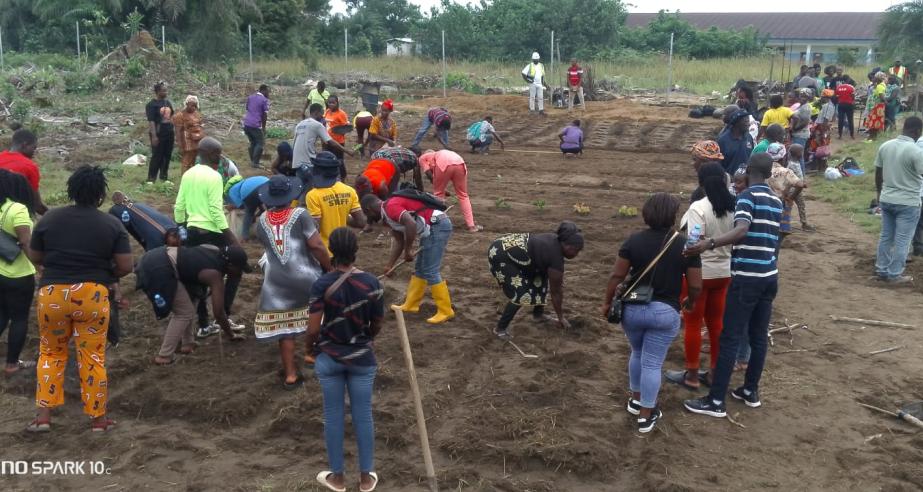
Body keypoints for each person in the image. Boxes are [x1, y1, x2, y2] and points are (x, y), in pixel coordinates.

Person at [27, 165, 132, 433]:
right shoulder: (112, 224)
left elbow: (35, 257)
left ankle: (43, 418)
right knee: (92, 357)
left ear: (70, 190)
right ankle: (98, 420)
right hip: (92, 295)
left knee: (50, 353)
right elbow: (125, 266)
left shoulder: (49, 219)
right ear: (100, 195)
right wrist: (106, 274)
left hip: (53, 295)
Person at [683, 153, 782, 418]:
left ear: (749, 171)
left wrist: (709, 243)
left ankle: (716, 401)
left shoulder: (747, 197)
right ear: (770, 173)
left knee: (729, 337)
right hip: (769, 276)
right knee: (758, 336)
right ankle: (750, 391)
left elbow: (741, 230)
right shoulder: (776, 200)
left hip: (747, 278)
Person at [603, 193, 702, 433]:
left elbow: (617, 276)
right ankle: (646, 415)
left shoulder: (633, 241)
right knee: (652, 363)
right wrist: (690, 300)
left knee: (637, 353)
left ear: (647, 214)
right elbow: (696, 284)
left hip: (633, 310)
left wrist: (606, 303)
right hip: (664, 312)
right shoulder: (685, 244)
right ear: (672, 216)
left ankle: (636, 401)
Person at [309, 227, 383, 492]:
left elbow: (314, 328)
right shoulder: (372, 283)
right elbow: (377, 322)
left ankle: (337, 478)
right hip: (362, 358)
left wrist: (311, 349)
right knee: (363, 415)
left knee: (333, 416)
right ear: (355, 251)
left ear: (333, 252)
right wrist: (367, 337)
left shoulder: (322, 284)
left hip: (329, 357)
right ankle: (365, 478)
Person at [255, 175, 332, 388]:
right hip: (305, 275)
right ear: (291, 197)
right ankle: (311, 354)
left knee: (284, 329)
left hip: (275, 281)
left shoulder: (261, 220)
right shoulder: (300, 215)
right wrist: (328, 267)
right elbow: (316, 245)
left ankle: (290, 375)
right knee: (317, 316)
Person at [665, 164, 734, 391]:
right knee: (717, 324)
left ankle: (692, 375)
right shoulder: (734, 204)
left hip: (701, 274)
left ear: (700, 182)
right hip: (724, 272)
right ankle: (715, 373)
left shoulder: (699, 207)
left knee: (693, 324)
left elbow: (693, 243)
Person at [175, 137, 244, 338]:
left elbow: (179, 206)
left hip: (192, 231)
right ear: (212, 154)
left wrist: (182, 232)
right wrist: (231, 237)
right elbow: (215, 210)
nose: (220, 156)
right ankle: (224, 314)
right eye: (219, 153)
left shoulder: (188, 174)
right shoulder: (214, 176)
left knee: (197, 278)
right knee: (236, 267)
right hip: (213, 232)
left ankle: (204, 325)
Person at [144, 243, 249, 365]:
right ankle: (164, 356)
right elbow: (218, 313)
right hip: (158, 267)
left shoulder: (214, 249)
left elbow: (192, 263)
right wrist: (231, 335)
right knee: (184, 312)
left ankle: (187, 343)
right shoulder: (214, 275)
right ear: (229, 265)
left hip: (161, 258)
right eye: (239, 269)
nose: (240, 273)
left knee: (192, 300)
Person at [361, 192, 454, 324]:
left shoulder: (391, 207)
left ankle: (446, 310)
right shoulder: (387, 216)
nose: (369, 218)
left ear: (368, 210)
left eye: (367, 215)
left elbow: (411, 224)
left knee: (430, 270)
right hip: (432, 228)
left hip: (437, 226)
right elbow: (399, 242)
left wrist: (408, 250)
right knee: (420, 268)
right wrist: (390, 265)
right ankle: (411, 304)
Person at [489, 222, 583, 339]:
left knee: (540, 279)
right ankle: (500, 328)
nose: (577, 254)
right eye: (577, 251)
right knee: (520, 294)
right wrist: (561, 317)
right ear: (569, 247)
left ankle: (538, 315)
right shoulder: (555, 256)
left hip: (512, 248)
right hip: (501, 254)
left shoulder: (556, 241)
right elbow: (556, 292)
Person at [874, 117, 923, 284]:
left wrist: (879, 194)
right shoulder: (916, 151)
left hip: (886, 198)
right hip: (908, 202)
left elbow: (878, 173)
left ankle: (881, 269)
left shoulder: (885, 146)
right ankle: (894, 274)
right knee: (903, 239)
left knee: (886, 236)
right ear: (917, 131)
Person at [0, 170, 37, 374]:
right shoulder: (18, 209)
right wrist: (40, 266)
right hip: (18, 274)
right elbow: (25, 242)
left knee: (1, 314)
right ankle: (12, 364)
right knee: (20, 318)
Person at [307, 152, 367, 249]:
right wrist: (343, 215)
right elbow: (361, 222)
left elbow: (315, 228)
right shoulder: (350, 191)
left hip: (324, 251)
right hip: (343, 249)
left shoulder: (313, 195)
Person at [419, 149, 482, 232]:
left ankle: (436, 222)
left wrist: (441, 190)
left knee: (438, 194)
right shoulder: (440, 153)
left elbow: (430, 175)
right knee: (463, 195)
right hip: (460, 163)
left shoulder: (423, 158)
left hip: (443, 164)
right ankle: (471, 226)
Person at [0, 129, 48, 214]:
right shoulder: (29, 166)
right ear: (24, 145)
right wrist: (54, 217)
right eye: (34, 147)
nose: (34, 151)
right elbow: (37, 205)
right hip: (13, 215)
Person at [110, 191, 176, 251]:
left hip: (136, 206)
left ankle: (125, 202)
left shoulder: (174, 226)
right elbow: (151, 257)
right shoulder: (156, 242)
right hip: (121, 215)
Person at [295, 104, 353, 171]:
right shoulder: (317, 125)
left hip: (296, 162)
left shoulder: (299, 124)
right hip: (307, 163)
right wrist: (348, 151)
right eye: (321, 114)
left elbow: (299, 143)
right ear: (316, 112)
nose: (322, 117)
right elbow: (331, 142)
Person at [766, 143, 804, 236]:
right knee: (781, 231)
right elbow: (800, 185)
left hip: (765, 202)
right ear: (783, 157)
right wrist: (791, 197)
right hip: (780, 202)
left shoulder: (763, 169)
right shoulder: (786, 171)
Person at [146, 82, 175, 184]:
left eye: (166, 90)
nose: (166, 92)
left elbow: (172, 116)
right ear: (157, 92)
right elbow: (151, 121)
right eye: (163, 90)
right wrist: (154, 136)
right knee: (157, 155)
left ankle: (163, 177)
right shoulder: (151, 105)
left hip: (169, 132)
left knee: (167, 155)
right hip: (158, 133)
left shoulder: (168, 103)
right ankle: (151, 179)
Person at [227, 176, 269, 241]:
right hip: (267, 182)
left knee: (249, 213)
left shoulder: (231, 191)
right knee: (271, 210)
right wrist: (256, 215)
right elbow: (259, 203)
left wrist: (232, 206)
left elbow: (242, 206)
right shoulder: (245, 182)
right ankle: (273, 232)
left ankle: (245, 237)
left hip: (251, 192)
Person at [785, 144, 814, 231]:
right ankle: (787, 224)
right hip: (793, 189)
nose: (802, 153)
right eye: (801, 151)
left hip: (796, 188)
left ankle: (803, 223)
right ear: (798, 154)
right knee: (791, 206)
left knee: (798, 206)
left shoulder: (794, 162)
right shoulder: (792, 164)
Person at [173, 95, 205, 172]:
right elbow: (178, 131)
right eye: (192, 105)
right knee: (186, 161)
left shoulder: (197, 114)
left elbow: (201, 124)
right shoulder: (179, 115)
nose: (193, 107)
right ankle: (184, 178)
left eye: (195, 106)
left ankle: (193, 178)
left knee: (195, 160)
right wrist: (180, 145)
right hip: (187, 141)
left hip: (197, 139)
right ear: (186, 104)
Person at [242, 84, 270, 169]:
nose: (269, 94)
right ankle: (255, 162)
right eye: (268, 92)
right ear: (263, 90)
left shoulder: (250, 97)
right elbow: (264, 115)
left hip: (246, 124)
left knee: (253, 142)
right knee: (260, 143)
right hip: (255, 124)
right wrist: (264, 128)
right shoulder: (264, 100)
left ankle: (253, 161)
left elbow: (248, 108)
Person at [718, 110, 755, 175]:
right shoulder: (723, 141)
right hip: (729, 180)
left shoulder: (749, 137)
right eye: (746, 121)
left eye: (748, 121)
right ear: (737, 123)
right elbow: (718, 164)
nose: (749, 124)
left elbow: (750, 158)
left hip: (745, 180)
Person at [325, 95, 350, 180]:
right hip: (328, 141)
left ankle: (343, 177)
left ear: (337, 103)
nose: (331, 104)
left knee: (339, 161)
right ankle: (331, 177)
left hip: (338, 141)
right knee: (328, 159)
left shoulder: (341, 114)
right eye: (329, 102)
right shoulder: (327, 112)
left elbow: (347, 128)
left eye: (333, 103)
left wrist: (337, 130)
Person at [790, 89, 814, 174]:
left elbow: (805, 122)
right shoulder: (801, 106)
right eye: (801, 96)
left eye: (805, 96)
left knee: (798, 155)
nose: (802, 98)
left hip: (800, 134)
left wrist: (794, 129)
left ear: (808, 98)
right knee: (797, 155)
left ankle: (802, 176)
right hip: (798, 133)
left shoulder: (806, 107)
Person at [864, 72, 888, 141]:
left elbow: (880, 95)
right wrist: (886, 102)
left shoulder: (879, 86)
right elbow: (881, 96)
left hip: (876, 106)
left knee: (874, 122)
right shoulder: (880, 85)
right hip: (878, 106)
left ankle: (872, 137)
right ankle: (872, 137)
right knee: (875, 122)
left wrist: (885, 102)